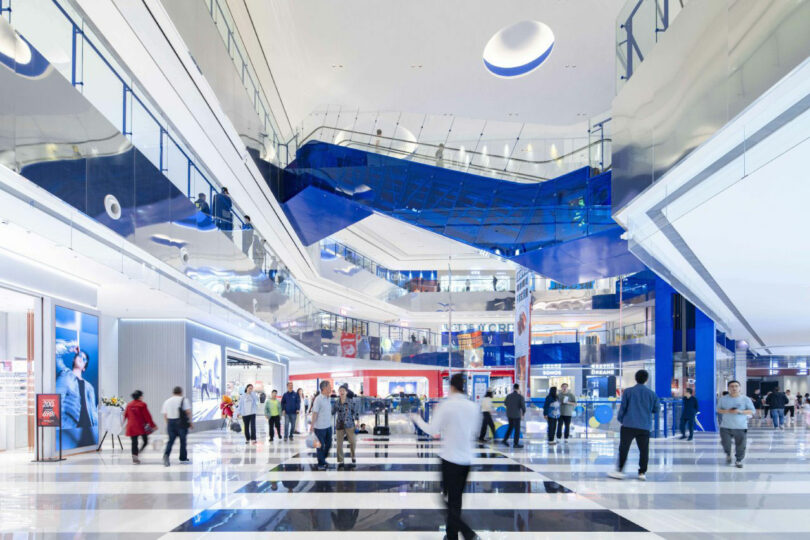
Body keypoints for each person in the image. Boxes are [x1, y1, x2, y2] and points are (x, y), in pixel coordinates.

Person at [411, 373, 479, 540]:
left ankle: (468, 533)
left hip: (450, 459)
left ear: (452, 387)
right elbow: (475, 431)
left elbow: (432, 430)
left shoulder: (447, 405)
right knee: (456, 500)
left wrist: (417, 419)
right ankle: (451, 535)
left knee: (444, 500)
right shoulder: (473, 407)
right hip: (466, 460)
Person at [608, 370, 659, 481]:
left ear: (636, 378)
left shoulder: (628, 392)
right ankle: (642, 473)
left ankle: (620, 471)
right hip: (644, 426)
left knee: (624, 448)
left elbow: (623, 408)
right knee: (644, 450)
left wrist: (621, 419)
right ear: (646, 379)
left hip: (628, 425)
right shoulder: (652, 394)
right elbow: (656, 409)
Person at [55, 349, 98, 448]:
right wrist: (70, 347)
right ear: (73, 359)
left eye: (84, 359)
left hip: (89, 430)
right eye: (79, 356)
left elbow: (93, 411)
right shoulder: (65, 374)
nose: (81, 358)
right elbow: (55, 353)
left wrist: (97, 429)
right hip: (69, 429)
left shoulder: (89, 387)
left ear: (84, 368)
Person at [717, 380, 755, 468]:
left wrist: (740, 411)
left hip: (740, 426)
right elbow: (718, 410)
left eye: (736, 386)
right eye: (732, 386)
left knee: (741, 445)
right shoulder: (723, 399)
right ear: (728, 388)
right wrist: (728, 411)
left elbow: (752, 411)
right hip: (725, 426)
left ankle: (738, 460)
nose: (734, 388)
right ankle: (728, 454)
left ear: (739, 388)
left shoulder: (746, 399)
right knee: (726, 444)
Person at [161, 386, 192, 467]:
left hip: (170, 422)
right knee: (183, 441)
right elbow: (188, 412)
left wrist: (168, 424)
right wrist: (190, 422)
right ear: (181, 392)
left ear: (173, 392)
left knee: (170, 441)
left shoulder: (167, 401)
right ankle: (183, 457)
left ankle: (166, 456)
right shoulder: (184, 400)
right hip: (181, 423)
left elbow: (165, 415)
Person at [123, 390, 155, 464]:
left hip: (131, 426)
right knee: (145, 441)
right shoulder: (142, 404)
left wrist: (123, 424)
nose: (142, 397)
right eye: (142, 396)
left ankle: (135, 458)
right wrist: (153, 425)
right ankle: (138, 452)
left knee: (134, 442)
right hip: (141, 426)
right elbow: (147, 416)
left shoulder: (129, 405)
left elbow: (125, 415)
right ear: (140, 397)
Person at [310, 380, 333, 470]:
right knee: (320, 446)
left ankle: (323, 460)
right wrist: (312, 426)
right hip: (319, 427)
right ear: (324, 388)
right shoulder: (318, 399)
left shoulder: (328, 398)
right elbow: (315, 413)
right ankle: (320, 463)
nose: (331, 388)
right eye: (329, 387)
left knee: (328, 444)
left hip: (328, 426)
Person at [333, 384, 357, 468]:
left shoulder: (351, 401)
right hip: (339, 424)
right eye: (340, 391)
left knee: (353, 442)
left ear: (346, 392)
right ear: (338, 392)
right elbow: (333, 412)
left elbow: (355, 412)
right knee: (339, 443)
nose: (342, 392)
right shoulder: (336, 402)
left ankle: (353, 456)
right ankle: (340, 460)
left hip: (350, 424)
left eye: (343, 391)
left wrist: (357, 422)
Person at [501, 383, 526, 448]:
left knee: (510, 427)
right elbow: (523, 407)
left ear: (513, 388)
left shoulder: (508, 396)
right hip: (516, 415)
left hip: (509, 414)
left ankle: (504, 440)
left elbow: (505, 403)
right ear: (518, 388)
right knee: (517, 429)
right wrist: (523, 413)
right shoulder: (520, 397)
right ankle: (515, 444)